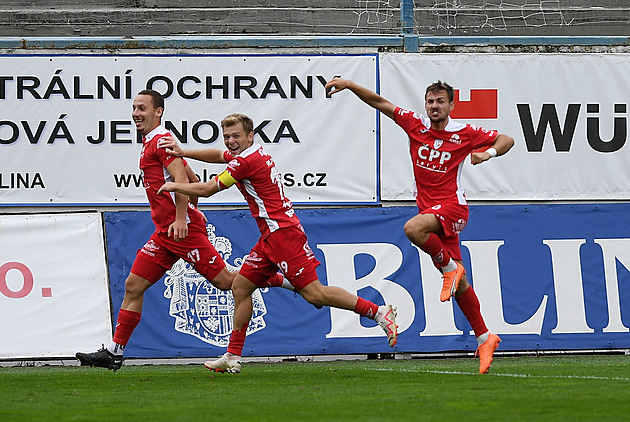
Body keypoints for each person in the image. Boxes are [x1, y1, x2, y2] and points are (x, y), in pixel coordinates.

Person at [157, 113, 399, 373]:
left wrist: (175, 186)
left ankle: (377, 312)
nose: (230, 141)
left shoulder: (246, 162)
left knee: (314, 294)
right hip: (270, 238)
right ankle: (232, 356)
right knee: (240, 287)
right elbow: (219, 156)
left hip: (283, 235)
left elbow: (208, 189)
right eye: (227, 137)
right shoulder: (251, 154)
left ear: (250, 136)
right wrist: (185, 152)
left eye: (236, 136)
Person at [76, 90, 289, 371]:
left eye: (142, 108)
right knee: (133, 285)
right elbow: (192, 178)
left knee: (226, 282)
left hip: (181, 232)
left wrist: (183, 218)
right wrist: (191, 210)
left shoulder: (160, 141)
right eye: (134, 108)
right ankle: (116, 351)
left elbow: (179, 179)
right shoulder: (153, 141)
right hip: (165, 234)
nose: (136, 113)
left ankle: (282, 280)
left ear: (158, 112)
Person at [324, 77, 514, 374]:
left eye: (440, 101)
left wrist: (486, 153)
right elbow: (380, 103)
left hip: (453, 208)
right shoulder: (415, 124)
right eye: (430, 101)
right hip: (432, 212)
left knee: (413, 229)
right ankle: (485, 337)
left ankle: (450, 269)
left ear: (451, 105)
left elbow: (507, 140)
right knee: (461, 285)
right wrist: (349, 84)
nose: (434, 106)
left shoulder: (464, 132)